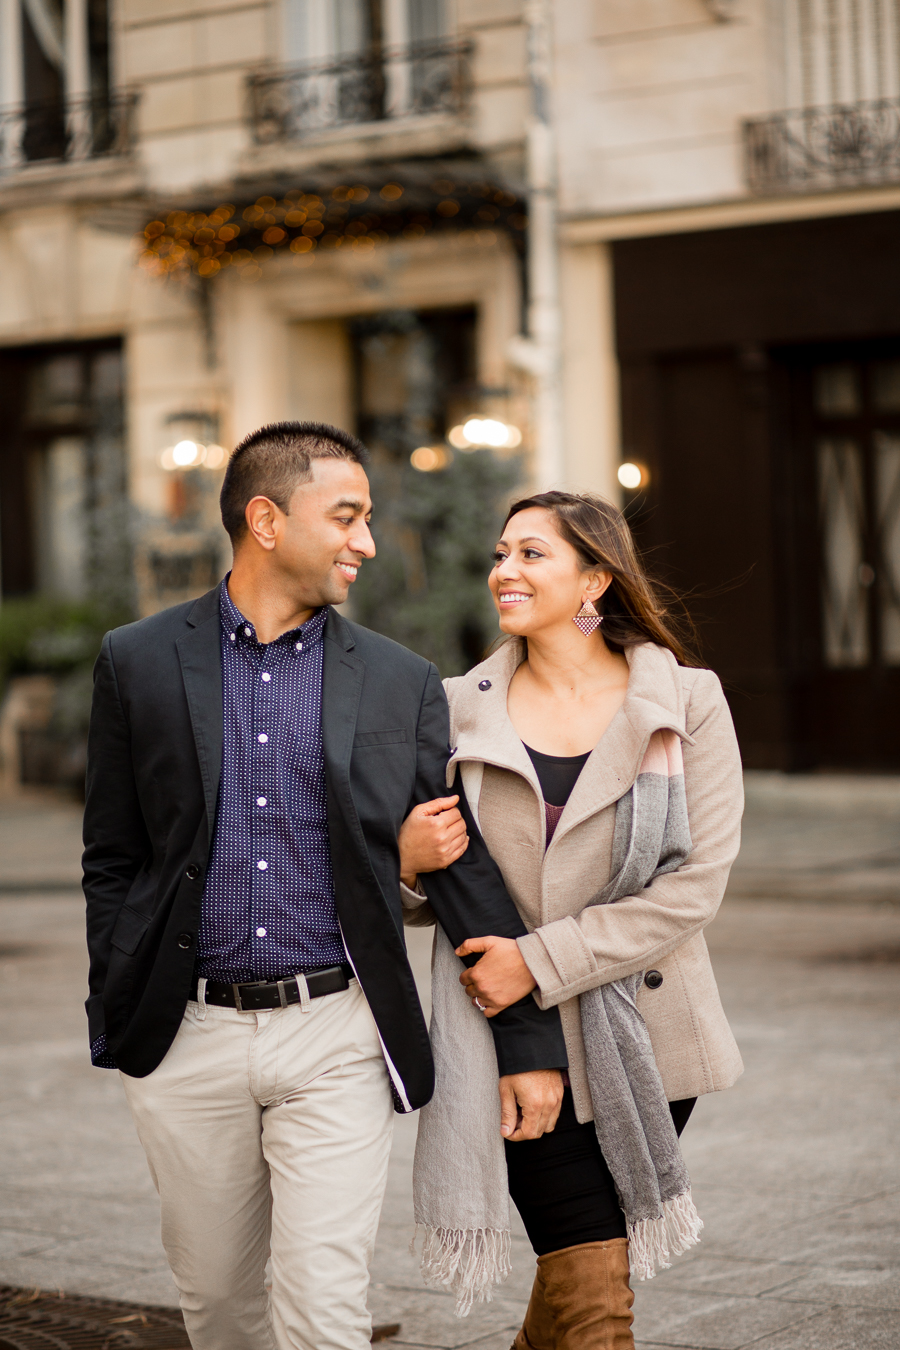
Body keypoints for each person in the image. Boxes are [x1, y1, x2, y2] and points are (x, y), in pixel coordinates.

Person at [82, 423, 569, 1350]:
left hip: (337, 1032)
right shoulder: (136, 660)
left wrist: (527, 1039)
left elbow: (459, 863)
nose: (368, 542)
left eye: (369, 519)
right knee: (219, 1307)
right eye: (347, 516)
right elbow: (113, 854)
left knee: (325, 1311)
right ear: (266, 519)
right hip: (189, 1035)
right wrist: (117, 988)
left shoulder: (399, 679)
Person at [398, 491, 745, 1350]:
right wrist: (405, 862)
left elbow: (693, 888)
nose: (503, 571)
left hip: (646, 1034)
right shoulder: (450, 709)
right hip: (512, 1041)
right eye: (500, 553)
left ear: (596, 578)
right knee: (590, 1281)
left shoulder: (686, 701)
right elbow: (431, 893)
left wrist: (540, 959)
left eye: (531, 555)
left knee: (578, 1278)